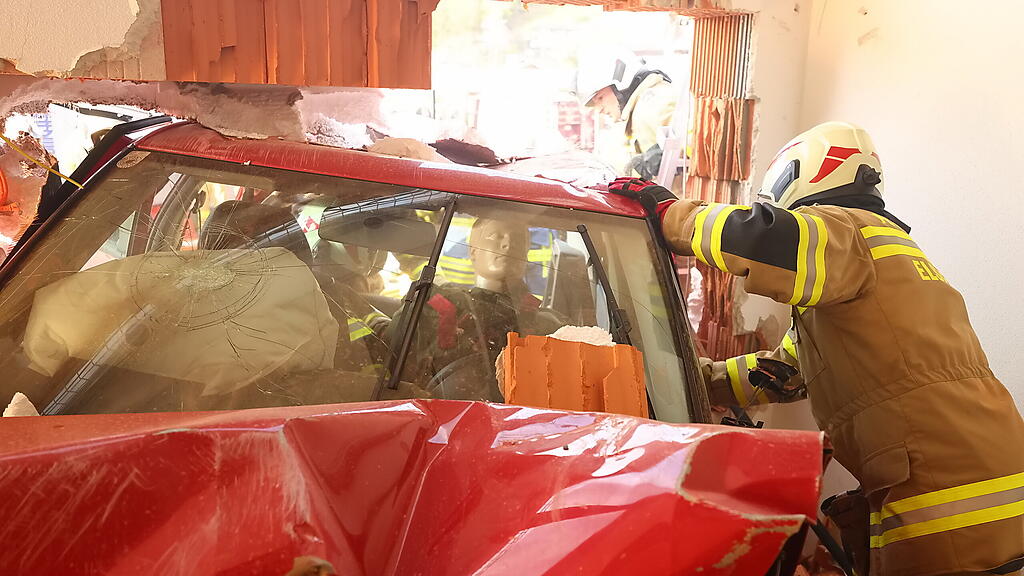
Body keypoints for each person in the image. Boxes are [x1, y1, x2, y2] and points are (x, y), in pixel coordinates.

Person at [608, 121, 1024, 576]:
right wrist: (692, 379)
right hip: (980, 471)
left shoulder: (847, 231)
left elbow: (764, 239)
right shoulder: (876, 254)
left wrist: (671, 214)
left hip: (948, 492)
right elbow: (784, 370)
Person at [397, 217, 563, 401]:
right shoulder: (432, 308)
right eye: (496, 236)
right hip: (438, 419)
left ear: (526, 253)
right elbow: (392, 370)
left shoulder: (551, 328)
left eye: (517, 240)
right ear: (473, 251)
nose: (508, 245)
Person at [575, 50, 677, 180]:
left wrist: (665, 153)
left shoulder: (654, 101)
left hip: (679, 198)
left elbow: (696, 134)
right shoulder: (636, 110)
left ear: (621, 84)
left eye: (600, 98)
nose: (599, 110)